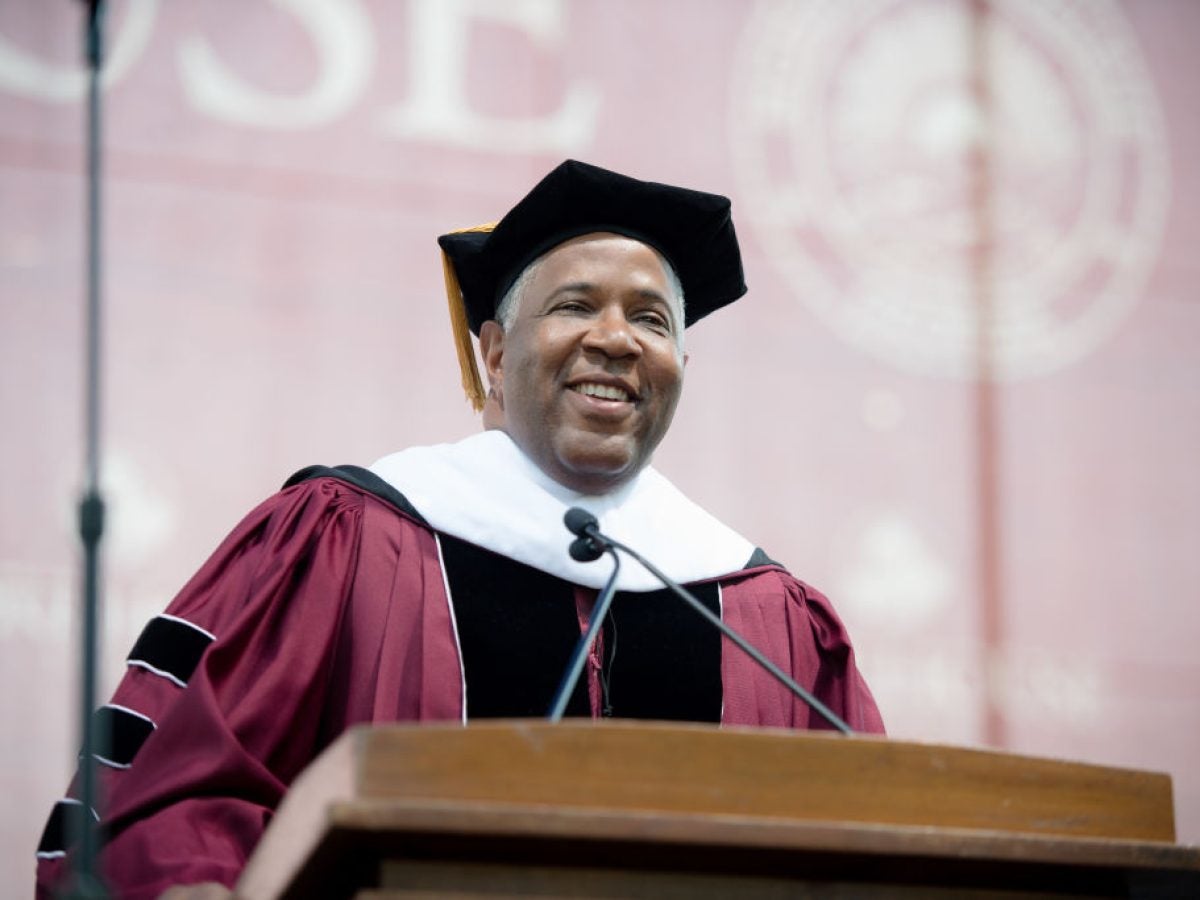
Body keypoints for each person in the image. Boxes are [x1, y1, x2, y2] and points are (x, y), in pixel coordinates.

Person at [36, 160, 883, 899]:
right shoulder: (348, 536)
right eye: (575, 305)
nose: (616, 339)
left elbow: (880, 841)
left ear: (679, 371)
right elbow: (182, 789)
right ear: (491, 353)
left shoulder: (771, 617)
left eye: (653, 320)